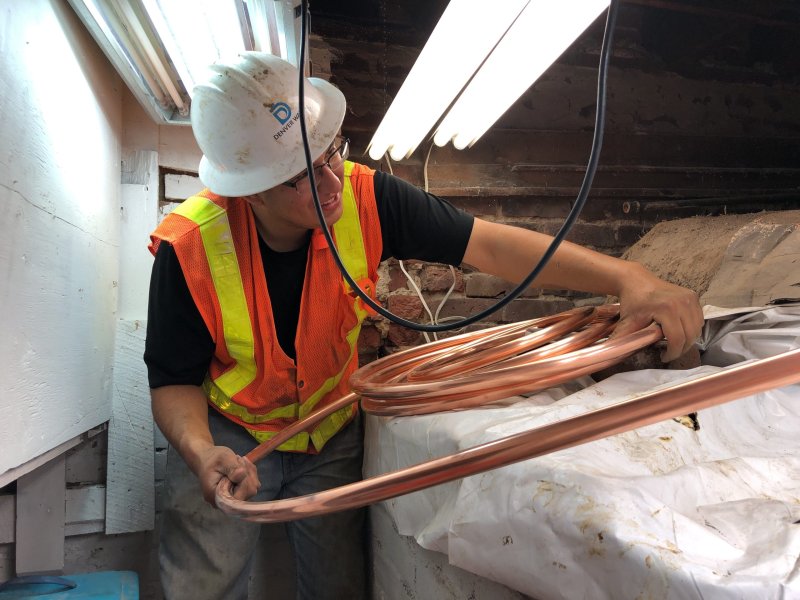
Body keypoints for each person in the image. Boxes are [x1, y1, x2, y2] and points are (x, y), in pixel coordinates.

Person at [144, 52, 704, 600]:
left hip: (328, 425)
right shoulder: (190, 247)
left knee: (337, 586)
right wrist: (198, 452)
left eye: (330, 153)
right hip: (228, 432)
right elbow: (173, 379)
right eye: (300, 177)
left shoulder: (366, 196)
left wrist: (629, 277)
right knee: (203, 585)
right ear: (252, 189)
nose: (330, 181)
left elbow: (486, 243)